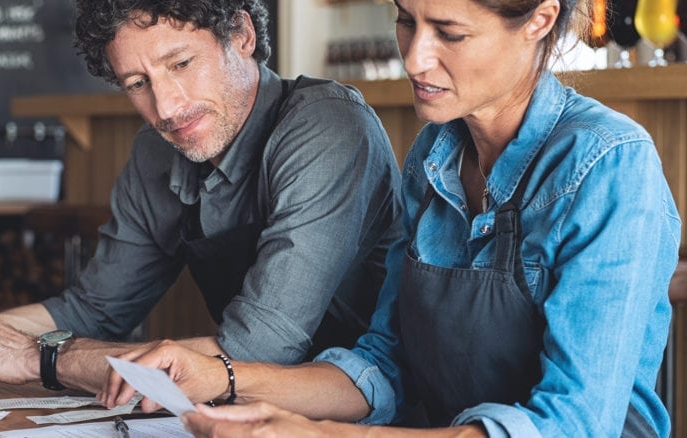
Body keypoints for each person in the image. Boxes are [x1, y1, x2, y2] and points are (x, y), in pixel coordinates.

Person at [102, 0, 680, 436]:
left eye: (449, 32)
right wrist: (220, 376)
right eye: (406, 20)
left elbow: (573, 424)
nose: (413, 56)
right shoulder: (434, 154)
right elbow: (383, 364)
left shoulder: (608, 162)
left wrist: (323, 435)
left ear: (539, 20)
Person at [0, 0, 404, 394]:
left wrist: (37, 358)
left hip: (366, 411)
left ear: (241, 34)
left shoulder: (328, 126)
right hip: (238, 412)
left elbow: (259, 349)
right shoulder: (156, 152)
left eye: (180, 64)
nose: (165, 106)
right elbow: (95, 309)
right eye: (137, 83)